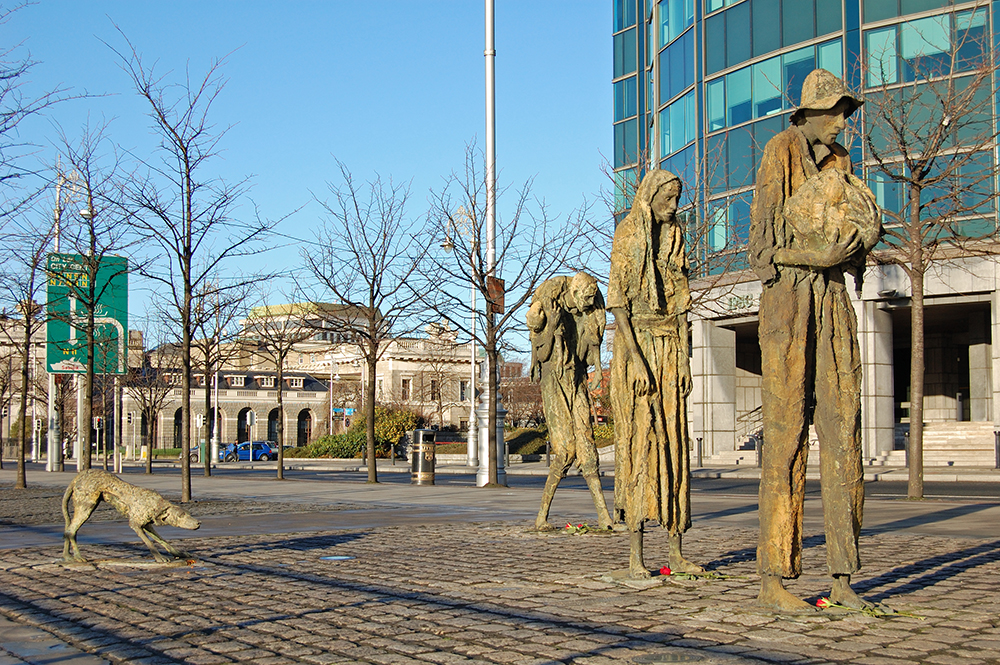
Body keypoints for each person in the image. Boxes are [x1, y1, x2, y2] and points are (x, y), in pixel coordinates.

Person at [749, 68, 881, 611]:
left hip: (833, 303)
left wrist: (853, 251)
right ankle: (774, 582)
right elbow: (761, 251)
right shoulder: (779, 152)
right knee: (784, 437)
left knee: (843, 428)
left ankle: (843, 578)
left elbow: (854, 237)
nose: (843, 120)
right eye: (835, 112)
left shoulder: (842, 162)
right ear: (810, 114)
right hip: (788, 303)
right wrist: (816, 256)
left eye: (846, 111)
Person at [608, 169, 701, 579]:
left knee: (675, 447)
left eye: (678, 198)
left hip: (669, 349)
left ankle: (676, 549)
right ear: (651, 196)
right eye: (669, 197)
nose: (674, 206)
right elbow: (619, 305)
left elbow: (681, 301)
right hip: (638, 348)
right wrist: (637, 359)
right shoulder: (629, 233)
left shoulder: (676, 233)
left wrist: (682, 358)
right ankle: (635, 555)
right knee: (641, 445)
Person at [527, 271, 613, 531]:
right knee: (565, 450)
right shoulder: (549, 299)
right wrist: (552, 324)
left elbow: (591, 347)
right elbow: (541, 349)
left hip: (575, 380)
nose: (588, 303)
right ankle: (542, 516)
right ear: (574, 293)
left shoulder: (590, 308)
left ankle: (605, 517)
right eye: (584, 299)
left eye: (591, 299)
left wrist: (598, 368)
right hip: (554, 381)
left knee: (587, 446)